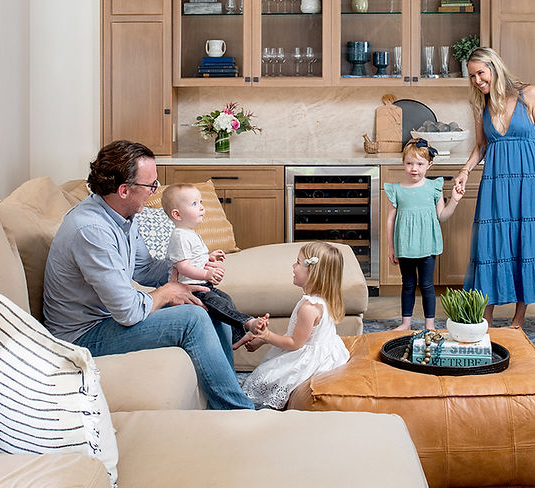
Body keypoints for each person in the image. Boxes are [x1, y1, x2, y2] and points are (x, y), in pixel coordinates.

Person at [43, 140, 254, 410]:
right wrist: (167, 293)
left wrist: (194, 265)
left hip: (106, 320)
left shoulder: (123, 216)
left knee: (205, 298)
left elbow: (144, 268)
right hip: (82, 338)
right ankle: (240, 412)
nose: (155, 191)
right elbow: (128, 312)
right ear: (123, 190)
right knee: (192, 318)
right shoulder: (92, 230)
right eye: (151, 185)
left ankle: (231, 394)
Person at [454, 47, 535, 327]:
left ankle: (519, 316)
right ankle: (485, 314)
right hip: (496, 180)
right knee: (492, 242)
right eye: (471, 76)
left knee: (526, 239)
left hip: (528, 177)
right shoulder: (480, 104)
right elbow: (481, 146)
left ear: (494, 67)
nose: (476, 80)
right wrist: (464, 171)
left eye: (480, 73)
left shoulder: (529, 93)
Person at [241, 242, 349, 409]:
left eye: (298, 262)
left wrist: (268, 336)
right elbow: (297, 333)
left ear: (313, 272)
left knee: (269, 378)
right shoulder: (321, 300)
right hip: (322, 350)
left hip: (311, 361)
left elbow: (295, 343)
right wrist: (263, 340)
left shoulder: (309, 308)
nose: (293, 266)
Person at [163, 183, 269, 349]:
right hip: (191, 289)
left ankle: (236, 338)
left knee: (226, 299)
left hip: (202, 285)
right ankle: (249, 322)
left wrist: (209, 257)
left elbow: (194, 259)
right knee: (219, 305)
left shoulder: (190, 233)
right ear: (177, 214)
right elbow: (183, 267)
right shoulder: (180, 236)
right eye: (194, 204)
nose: (201, 208)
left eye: (201, 202)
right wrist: (206, 274)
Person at [384, 139, 463, 331]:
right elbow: (389, 221)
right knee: (408, 285)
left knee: (427, 286)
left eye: (419, 164)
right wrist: (391, 247)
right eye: (409, 163)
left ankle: (430, 325)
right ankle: (406, 323)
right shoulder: (397, 189)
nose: (414, 168)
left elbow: (442, 216)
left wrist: (454, 200)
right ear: (403, 164)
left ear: (429, 165)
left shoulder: (433, 187)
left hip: (428, 246)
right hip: (405, 246)